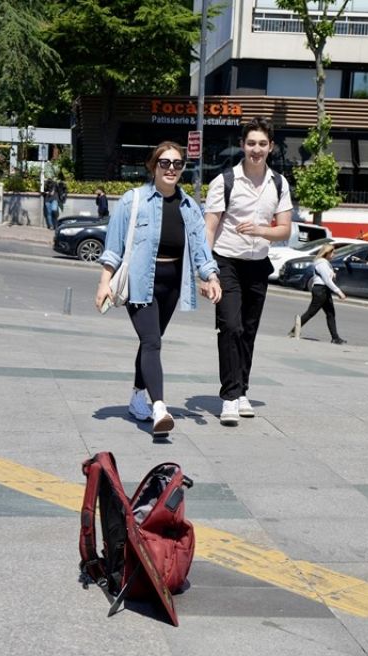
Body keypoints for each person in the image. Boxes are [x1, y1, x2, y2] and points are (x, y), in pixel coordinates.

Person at [95, 142, 221, 437]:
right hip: (141, 282)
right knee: (152, 342)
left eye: (177, 164)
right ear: (153, 167)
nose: (171, 169)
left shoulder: (189, 206)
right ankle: (160, 407)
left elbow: (202, 250)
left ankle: (138, 396)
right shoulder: (133, 200)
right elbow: (113, 248)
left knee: (151, 340)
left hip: (173, 283)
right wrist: (104, 283)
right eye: (165, 163)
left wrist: (211, 277)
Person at [203, 117, 293, 427]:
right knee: (231, 327)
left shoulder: (279, 184)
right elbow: (209, 228)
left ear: (271, 147)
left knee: (248, 331)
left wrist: (259, 230)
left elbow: (284, 230)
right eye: (251, 143)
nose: (256, 149)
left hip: (258, 266)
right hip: (226, 262)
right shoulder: (224, 181)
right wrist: (206, 272)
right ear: (243, 145)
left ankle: (242, 391)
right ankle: (229, 397)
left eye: (262, 144)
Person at [289, 243, 347, 344]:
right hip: (321, 290)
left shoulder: (324, 263)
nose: (334, 254)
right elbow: (327, 280)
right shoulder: (322, 264)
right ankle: (294, 331)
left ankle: (335, 338)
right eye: (332, 252)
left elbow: (327, 277)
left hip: (323, 290)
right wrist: (339, 292)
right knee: (311, 312)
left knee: (330, 314)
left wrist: (332, 274)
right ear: (327, 253)